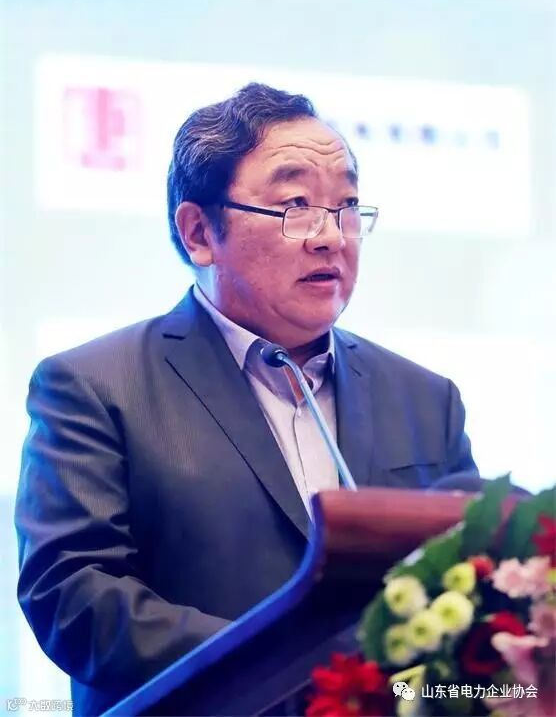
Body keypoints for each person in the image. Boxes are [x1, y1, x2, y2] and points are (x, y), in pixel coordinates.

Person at [15, 83, 478, 716]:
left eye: (346, 206)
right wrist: (292, 675)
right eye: (295, 206)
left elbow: (469, 583)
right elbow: (72, 596)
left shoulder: (426, 398)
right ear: (199, 232)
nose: (331, 237)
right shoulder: (96, 386)